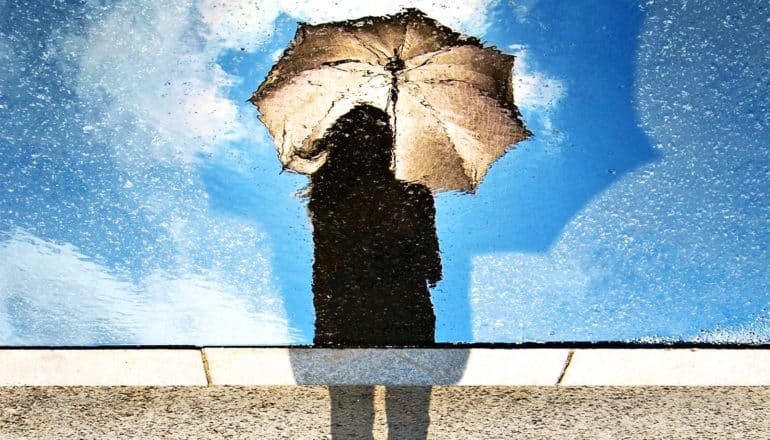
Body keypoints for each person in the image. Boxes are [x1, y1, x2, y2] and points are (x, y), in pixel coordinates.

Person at [308, 104, 442, 347]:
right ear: (387, 147)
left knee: (352, 384)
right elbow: (432, 270)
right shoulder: (415, 197)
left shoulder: (328, 198)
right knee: (408, 382)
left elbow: (324, 270)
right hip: (406, 313)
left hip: (344, 315)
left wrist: (325, 325)